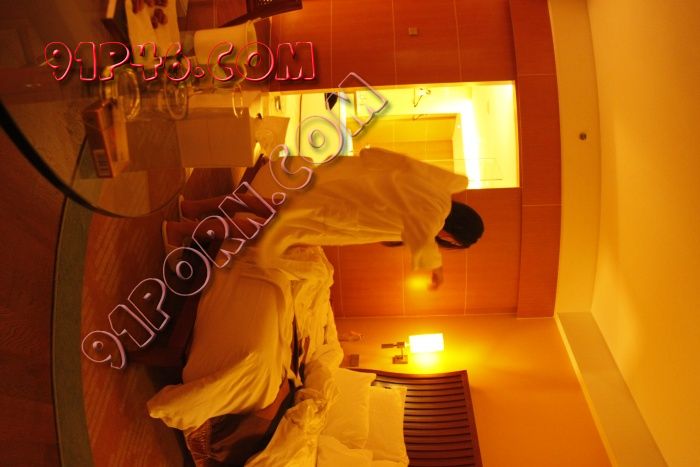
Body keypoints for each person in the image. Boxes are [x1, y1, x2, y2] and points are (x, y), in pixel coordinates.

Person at [164, 147, 484, 289]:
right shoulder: (434, 217)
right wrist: (435, 271)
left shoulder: (437, 190)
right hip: (335, 215)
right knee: (258, 229)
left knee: (263, 205)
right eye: (454, 243)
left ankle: (192, 209)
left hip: (338, 193)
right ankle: (183, 230)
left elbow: (399, 164)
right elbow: (422, 235)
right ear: (455, 235)